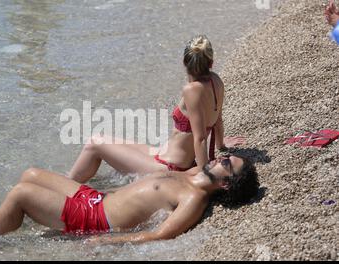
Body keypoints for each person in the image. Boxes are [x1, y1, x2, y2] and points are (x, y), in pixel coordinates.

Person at [0, 154, 259, 247]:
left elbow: (161, 234)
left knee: (21, 194)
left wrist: (109, 242)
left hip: (95, 219)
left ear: (226, 184)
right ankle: (7, 219)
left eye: (228, 163)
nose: (223, 157)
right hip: (95, 198)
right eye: (227, 156)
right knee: (31, 174)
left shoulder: (194, 198)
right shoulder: (191, 174)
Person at [68, 35, 245, 183]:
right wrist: (221, 145)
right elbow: (217, 120)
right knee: (107, 149)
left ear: (184, 62)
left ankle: (65, 189)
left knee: (94, 143)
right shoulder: (217, 82)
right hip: (166, 155)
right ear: (211, 63)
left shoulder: (191, 90)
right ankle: (85, 184)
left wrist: (205, 174)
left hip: (169, 166)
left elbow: (199, 139)